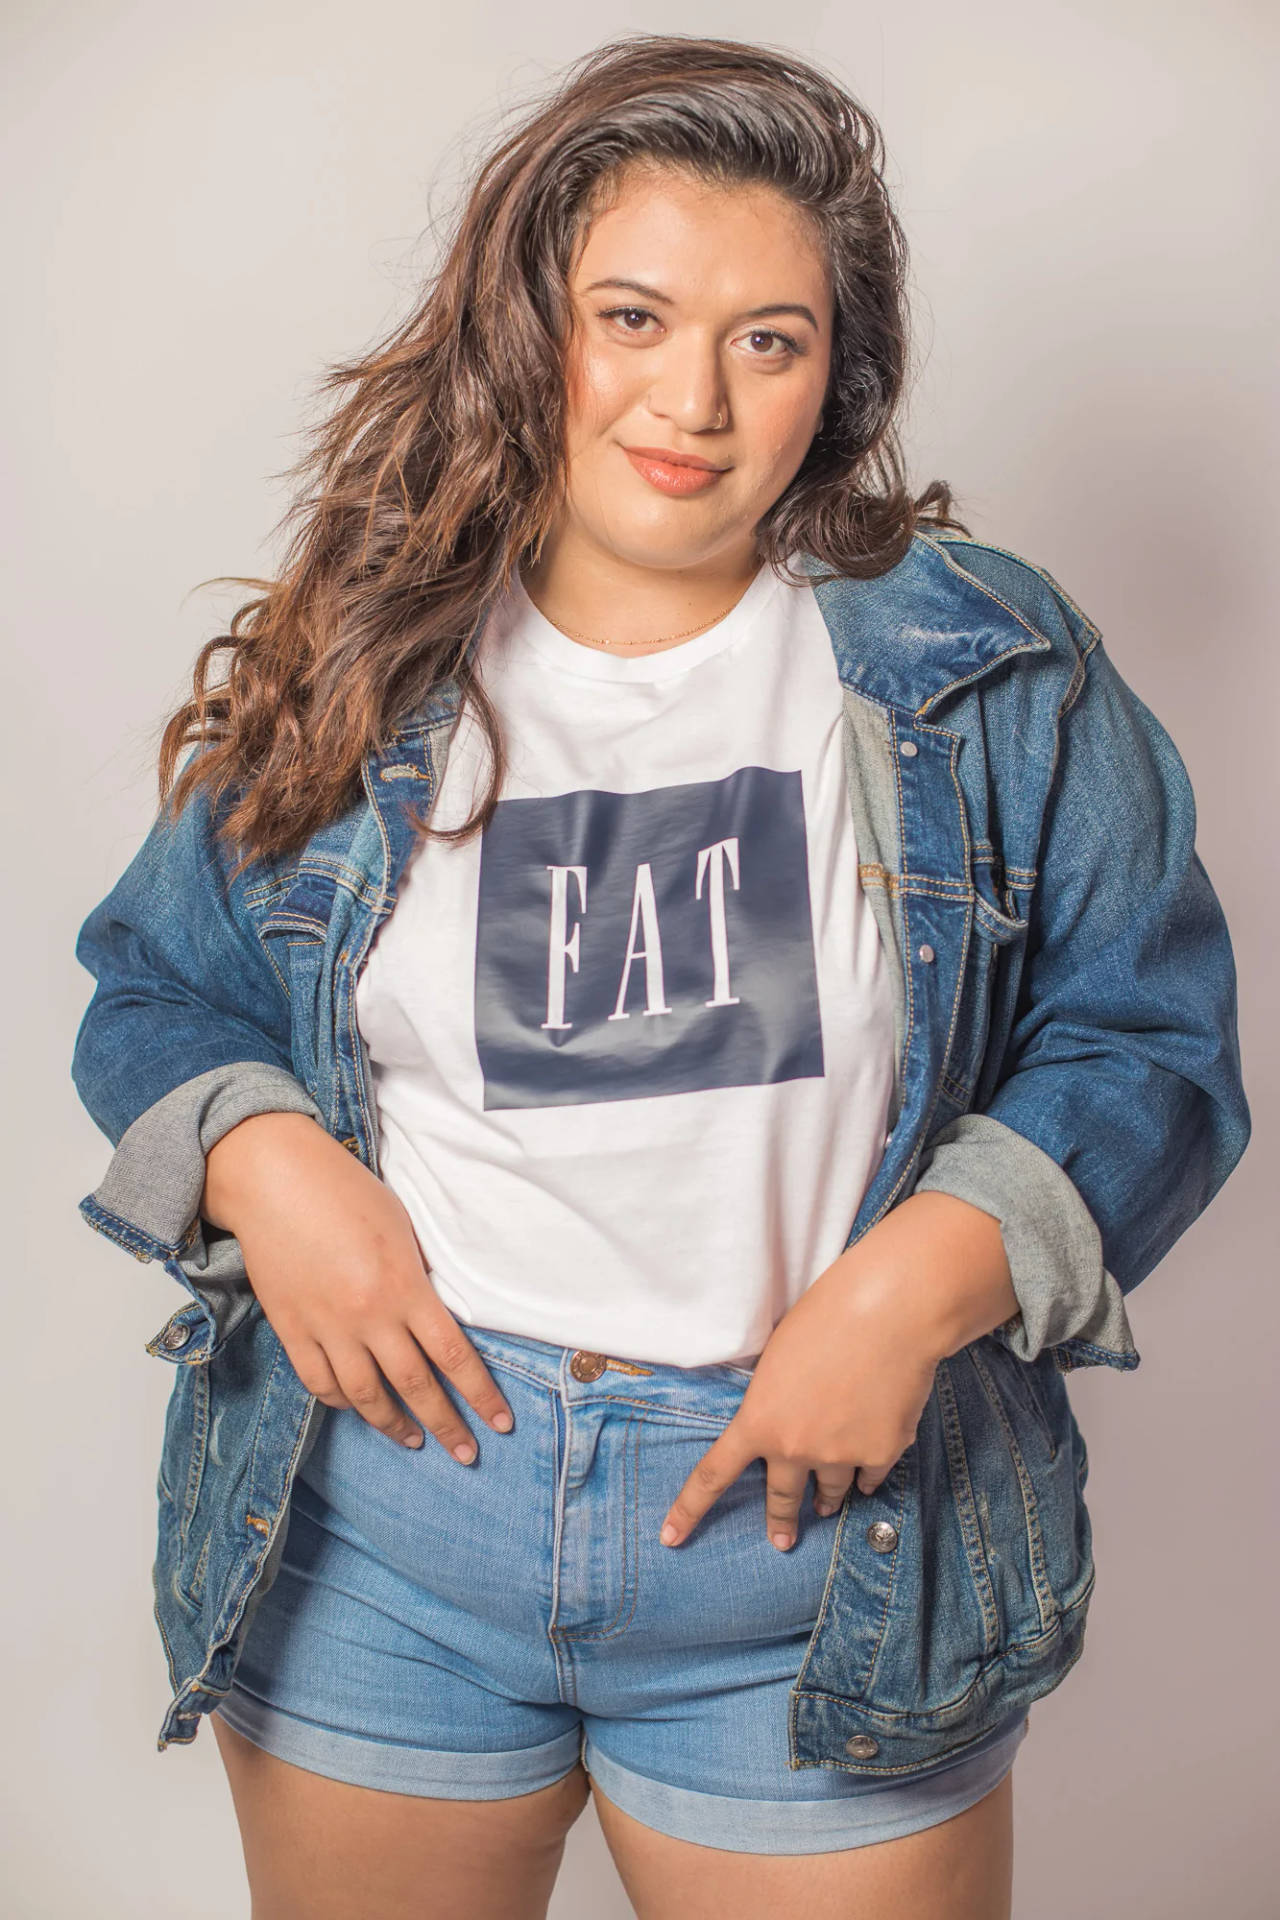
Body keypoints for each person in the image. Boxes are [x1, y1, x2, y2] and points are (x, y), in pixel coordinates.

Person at [69, 33, 1249, 1920]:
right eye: (633, 315)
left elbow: (1153, 1040)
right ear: (532, 326)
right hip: (387, 1531)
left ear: (830, 380)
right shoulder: (368, 651)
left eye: (766, 340)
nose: (688, 397)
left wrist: (912, 1288)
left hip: (822, 1565)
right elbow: (153, 990)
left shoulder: (988, 666)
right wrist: (264, 1167)